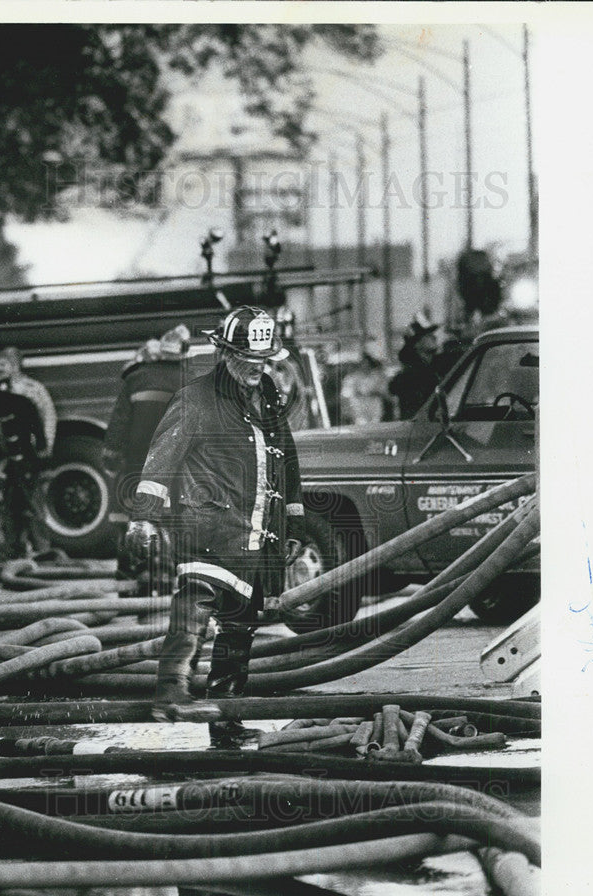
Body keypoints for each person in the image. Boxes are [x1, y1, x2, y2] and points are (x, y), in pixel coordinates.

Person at [124, 305, 306, 745]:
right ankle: (170, 692)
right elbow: (162, 458)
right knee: (197, 601)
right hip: (207, 526)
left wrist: (293, 523)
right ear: (223, 353)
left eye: (263, 360)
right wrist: (144, 518)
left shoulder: (267, 395)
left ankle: (225, 721)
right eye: (247, 359)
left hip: (256, 533)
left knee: (240, 626)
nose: (256, 368)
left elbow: (287, 459)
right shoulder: (197, 399)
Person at [102, 325, 190, 581]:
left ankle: (129, 575)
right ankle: (174, 571)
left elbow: (119, 423)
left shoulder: (136, 378)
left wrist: (110, 455)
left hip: (137, 465)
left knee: (133, 518)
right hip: (176, 466)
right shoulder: (192, 380)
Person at [0, 347, 56, 559]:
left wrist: (44, 451)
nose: (0, 368)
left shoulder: (31, 391)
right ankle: (9, 548)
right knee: (3, 504)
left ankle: (41, 549)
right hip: (1, 459)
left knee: (31, 503)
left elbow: (46, 419)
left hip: (25, 458)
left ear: (15, 365)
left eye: (3, 364)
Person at [388, 311, 442, 419]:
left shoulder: (433, 365)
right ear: (417, 344)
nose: (434, 337)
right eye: (428, 335)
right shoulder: (412, 372)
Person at [340, 343, 391, 425]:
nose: (365, 366)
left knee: (376, 424)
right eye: (363, 363)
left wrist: (374, 392)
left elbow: (384, 390)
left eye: (367, 363)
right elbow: (346, 393)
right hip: (359, 405)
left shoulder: (378, 376)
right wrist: (356, 392)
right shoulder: (352, 377)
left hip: (374, 404)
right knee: (361, 425)